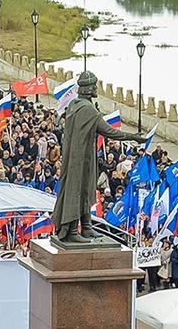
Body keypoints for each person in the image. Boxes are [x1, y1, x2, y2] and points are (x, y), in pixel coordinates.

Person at [52, 71, 146, 243]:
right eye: (94, 85)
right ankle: (73, 230)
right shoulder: (88, 110)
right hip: (81, 159)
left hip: (78, 157)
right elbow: (109, 131)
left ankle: (86, 227)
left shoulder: (74, 104)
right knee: (78, 191)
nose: (96, 88)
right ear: (88, 89)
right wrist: (132, 137)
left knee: (86, 189)